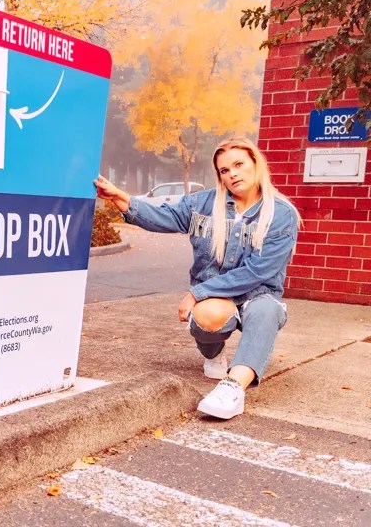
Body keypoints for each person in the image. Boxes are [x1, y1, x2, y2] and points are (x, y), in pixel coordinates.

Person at [94, 136, 301, 420]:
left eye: (239, 164)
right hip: (217, 297)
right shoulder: (204, 204)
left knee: (266, 310)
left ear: (256, 163)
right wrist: (121, 198)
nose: (233, 174)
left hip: (258, 292)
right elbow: (164, 216)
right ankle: (213, 353)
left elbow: (258, 271)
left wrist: (197, 292)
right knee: (206, 316)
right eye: (225, 170)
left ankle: (233, 387)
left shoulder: (281, 214)